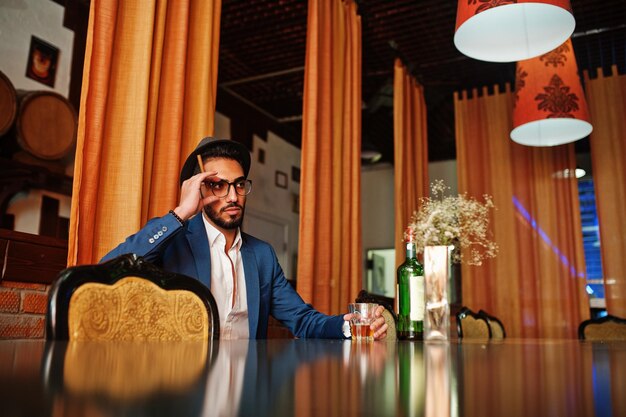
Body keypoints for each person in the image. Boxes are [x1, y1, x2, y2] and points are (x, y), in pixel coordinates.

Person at [102, 137, 388, 340]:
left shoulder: (262, 255)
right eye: (218, 185)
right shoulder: (174, 240)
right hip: (182, 392)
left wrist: (348, 327)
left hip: (247, 392)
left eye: (239, 184)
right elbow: (108, 272)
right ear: (198, 190)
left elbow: (302, 320)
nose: (233, 196)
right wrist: (180, 214)